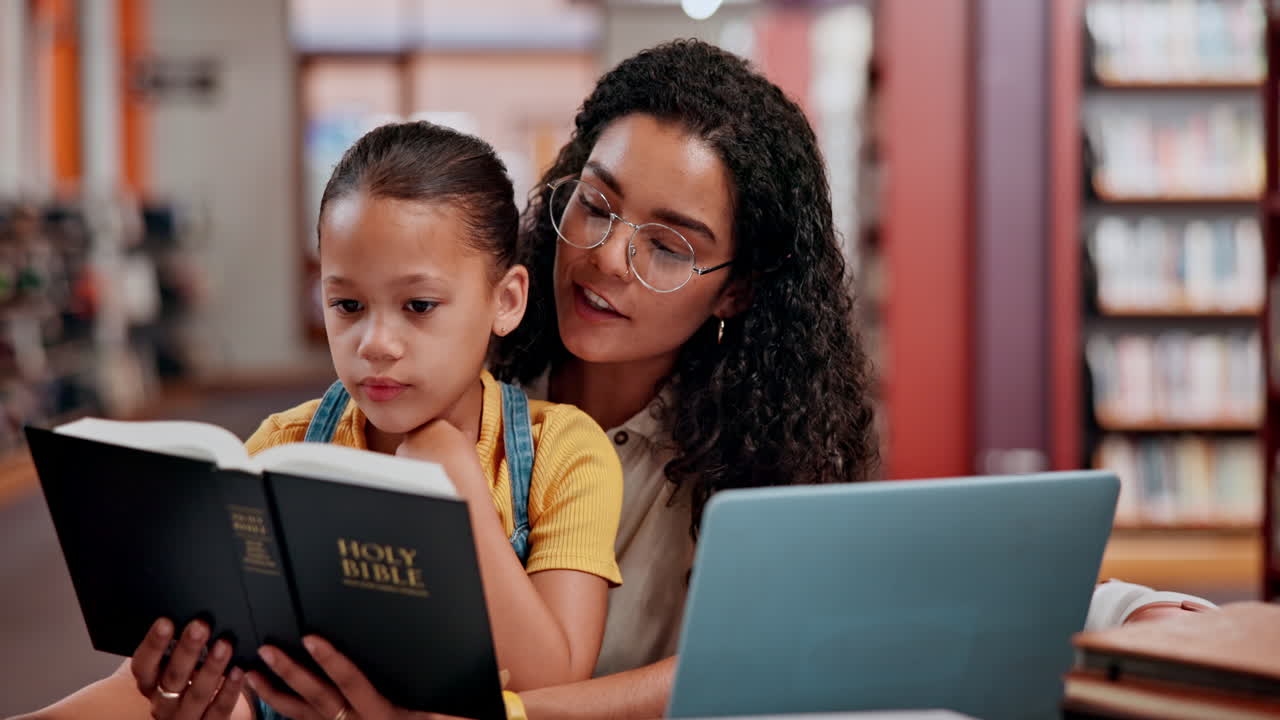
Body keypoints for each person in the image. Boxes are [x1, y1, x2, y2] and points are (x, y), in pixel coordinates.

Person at [17, 39, 1211, 720]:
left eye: (671, 242)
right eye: (594, 203)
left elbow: (838, 621)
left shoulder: (743, 458)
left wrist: (1110, 612)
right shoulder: (447, 378)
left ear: (737, 288)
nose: (606, 258)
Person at [18, 120, 624, 720]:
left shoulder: (564, 453)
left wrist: (458, 492)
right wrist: (190, 699)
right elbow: (233, 689)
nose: (375, 343)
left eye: (419, 306)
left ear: (506, 300)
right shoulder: (282, 445)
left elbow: (550, 680)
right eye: (347, 305)